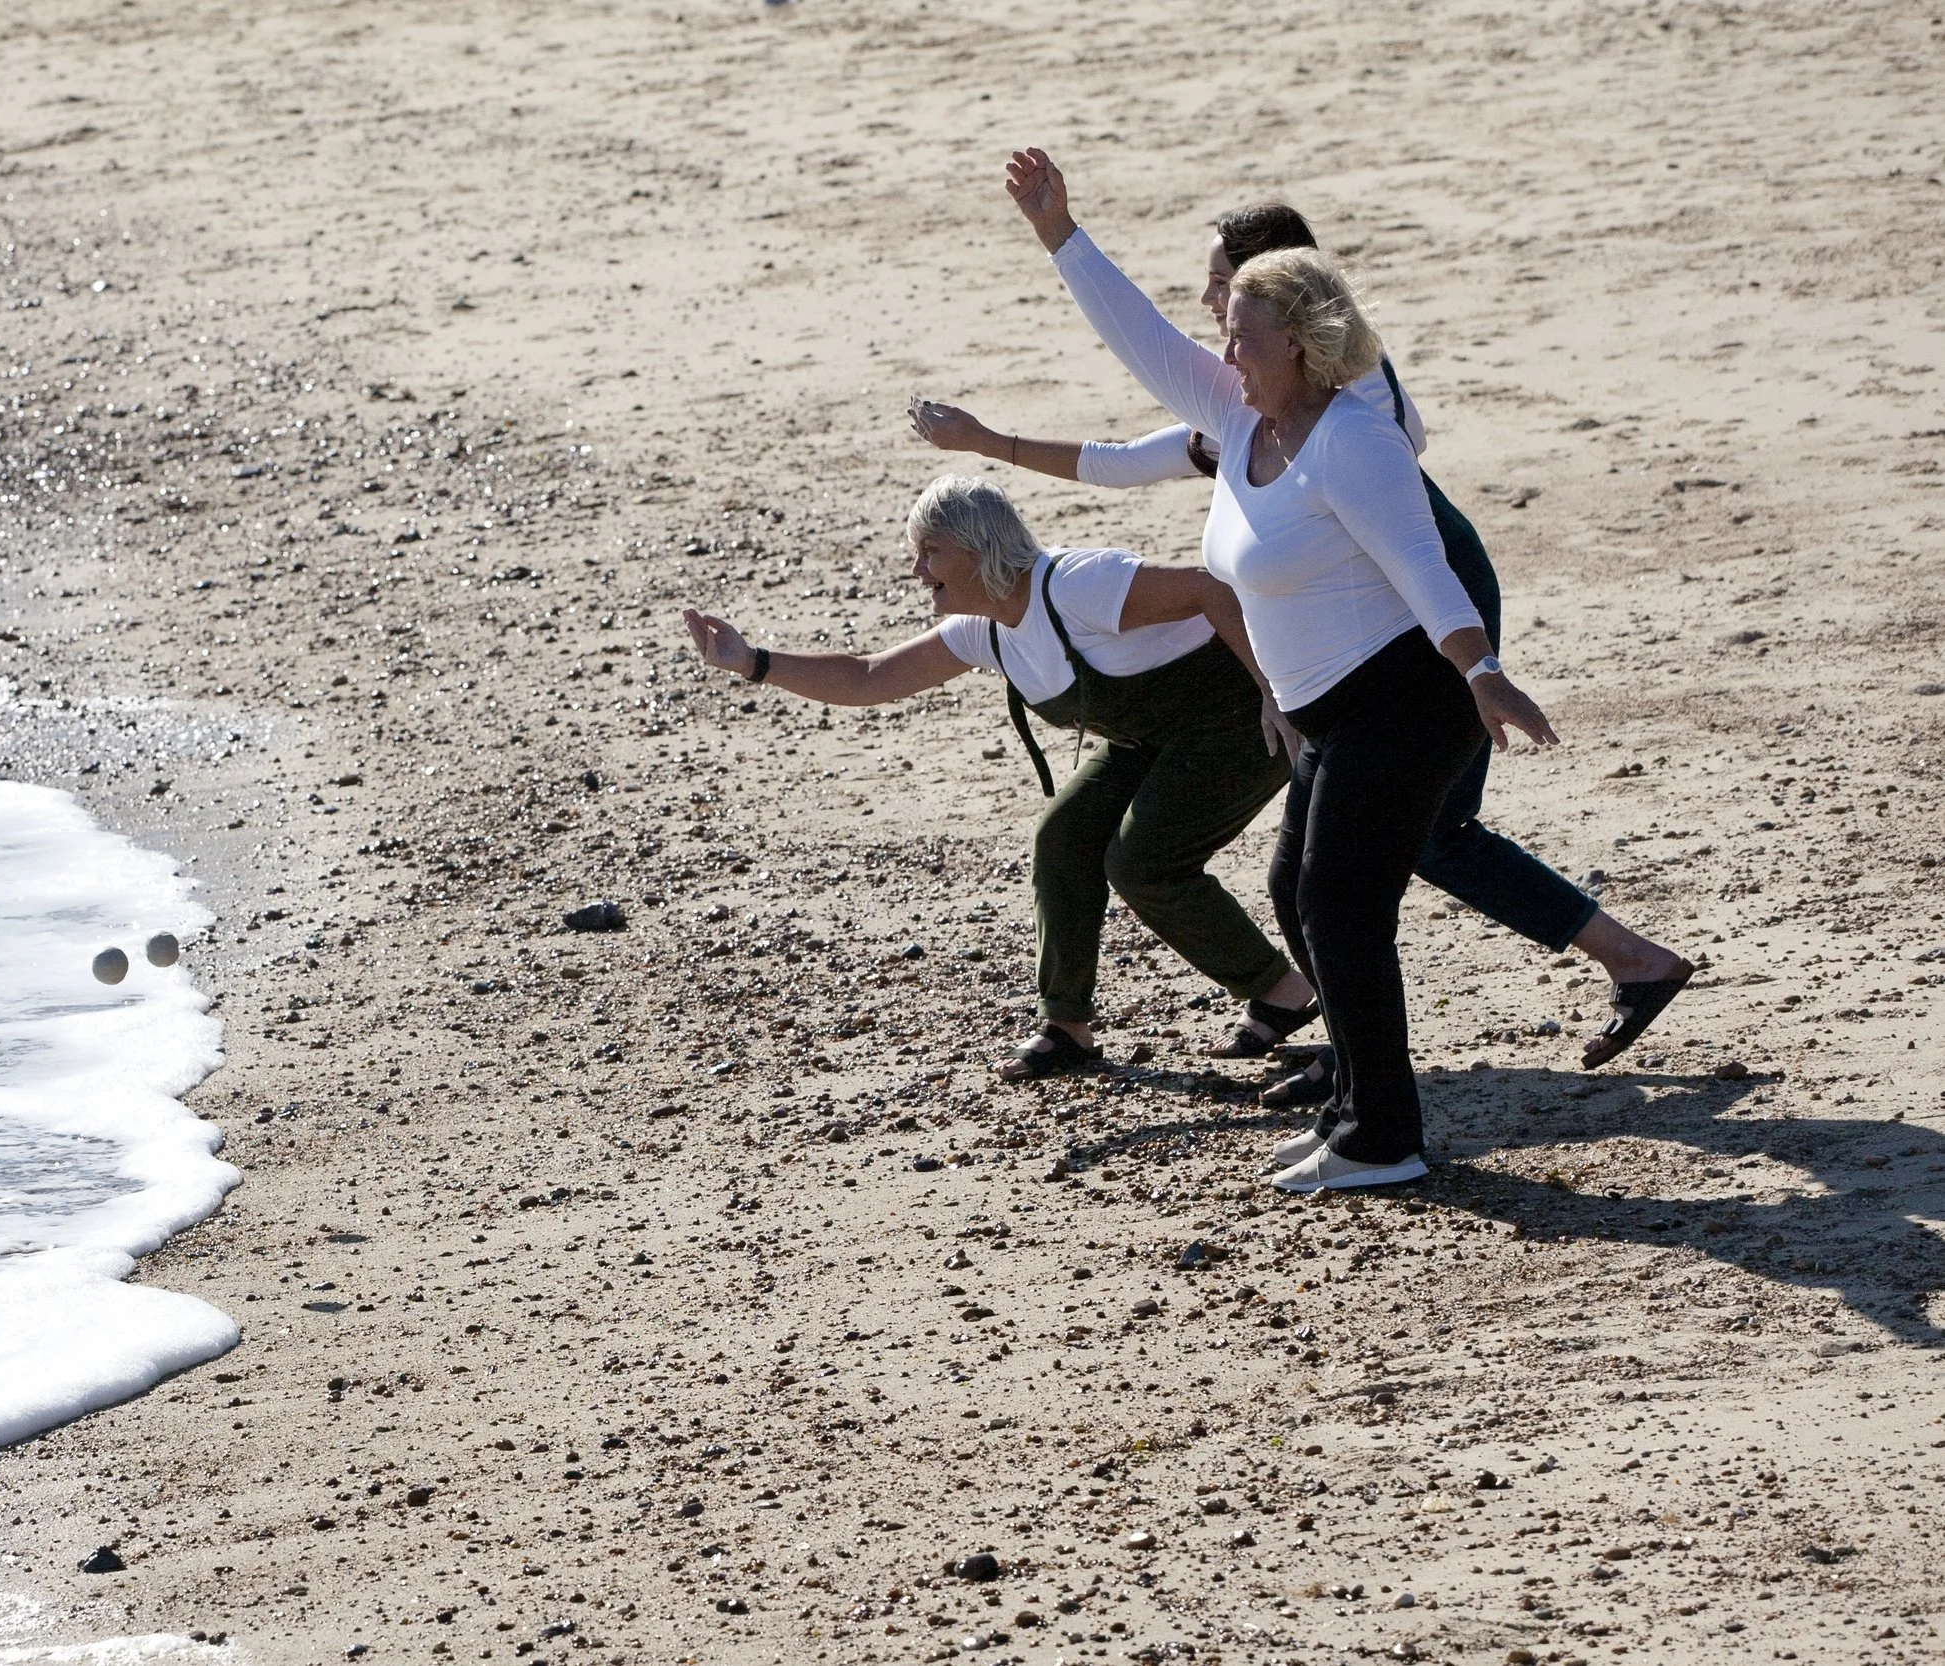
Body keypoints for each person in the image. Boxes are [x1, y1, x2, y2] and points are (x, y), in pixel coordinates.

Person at [910, 202, 1693, 1096]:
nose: (1210, 303)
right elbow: (1125, 446)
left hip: (1425, 597)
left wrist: (1478, 668)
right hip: (1362, 619)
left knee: (1412, 839)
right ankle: (1448, 1023)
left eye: (1225, 286)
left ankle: (1408, 1059)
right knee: (1332, 866)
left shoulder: (1346, 409)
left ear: (1288, 306)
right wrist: (988, 434)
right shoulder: (1249, 402)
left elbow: (1405, 535)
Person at [997, 145, 1559, 1193]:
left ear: (1296, 344)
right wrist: (1059, 236)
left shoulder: (1354, 439)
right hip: (1332, 713)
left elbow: (1424, 566)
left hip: (1405, 700)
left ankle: (1384, 1140)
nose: (1222, 347)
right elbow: (1141, 340)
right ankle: (1354, 1112)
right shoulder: (1240, 418)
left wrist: (1481, 671)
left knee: (1340, 906)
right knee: (1299, 896)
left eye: (1241, 333)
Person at [683, 473, 1322, 1083]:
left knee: (1143, 862)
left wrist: (1273, 691)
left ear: (977, 547)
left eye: (930, 550)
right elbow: (869, 676)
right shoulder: (983, 628)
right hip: (1151, 737)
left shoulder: (1077, 584)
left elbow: (1214, 590)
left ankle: (1281, 991)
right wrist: (753, 662)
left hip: (1246, 720)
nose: (917, 570)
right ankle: (1067, 1028)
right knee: (1063, 838)